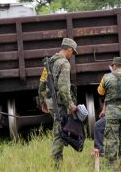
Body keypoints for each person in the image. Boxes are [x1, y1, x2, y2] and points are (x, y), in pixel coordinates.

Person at [38, 38, 78, 168]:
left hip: (51, 103)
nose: (72, 55)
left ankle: (57, 163)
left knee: (59, 131)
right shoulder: (64, 64)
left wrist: (43, 102)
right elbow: (63, 88)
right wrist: (71, 105)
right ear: (69, 49)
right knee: (60, 134)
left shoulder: (49, 63)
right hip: (59, 104)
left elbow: (42, 85)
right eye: (73, 52)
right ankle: (56, 165)